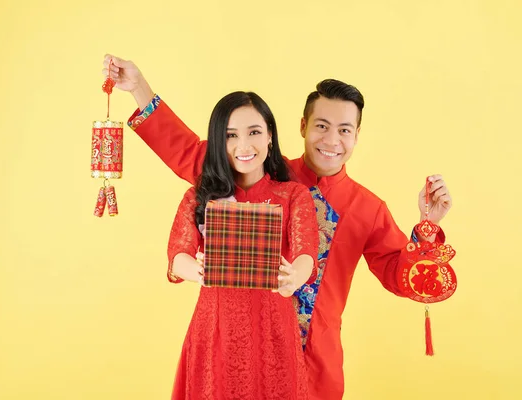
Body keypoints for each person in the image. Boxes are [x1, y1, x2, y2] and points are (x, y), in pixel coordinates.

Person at [102, 55, 453, 400]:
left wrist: (428, 225)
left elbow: (398, 275)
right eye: (321, 126)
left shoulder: (368, 208)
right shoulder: (266, 173)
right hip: (240, 345)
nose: (332, 141)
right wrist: (139, 89)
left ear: (357, 135)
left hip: (315, 358)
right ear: (302, 126)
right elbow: (194, 154)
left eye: (344, 130)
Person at [164, 90, 319, 399]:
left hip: (273, 331)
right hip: (215, 331)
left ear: (270, 136)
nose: (243, 145)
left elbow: (306, 252)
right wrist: (198, 269)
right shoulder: (200, 196)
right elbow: (176, 256)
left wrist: (295, 276)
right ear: (218, 142)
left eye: (254, 132)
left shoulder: (293, 196)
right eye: (230, 135)